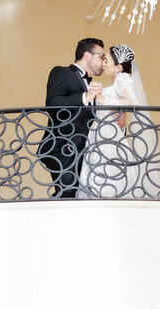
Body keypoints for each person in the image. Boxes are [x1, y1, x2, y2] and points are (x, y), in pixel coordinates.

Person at [77, 44, 160, 199]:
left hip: (108, 134)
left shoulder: (123, 78)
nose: (103, 64)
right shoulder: (116, 82)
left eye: (107, 61)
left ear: (118, 67)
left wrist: (103, 99)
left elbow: (132, 100)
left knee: (108, 173)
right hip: (100, 132)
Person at [39, 37, 106, 198]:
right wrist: (85, 97)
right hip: (62, 147)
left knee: (75, 195)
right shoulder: (62, 72)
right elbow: (52, 103)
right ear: (87, 55)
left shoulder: (90, 85)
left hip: (82, 151)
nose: (103, 62)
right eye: (101, 57)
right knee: (68, 194)